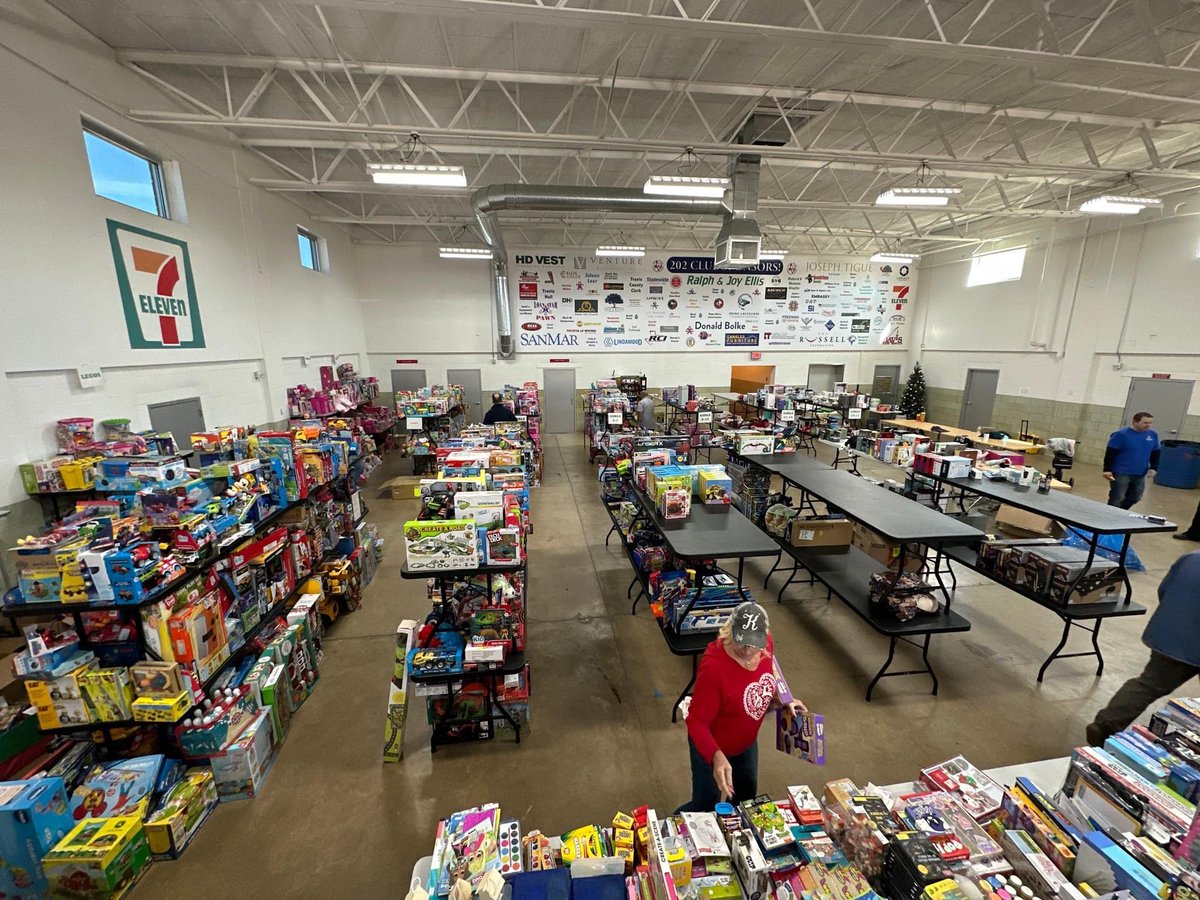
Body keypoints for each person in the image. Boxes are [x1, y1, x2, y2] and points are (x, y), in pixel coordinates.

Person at [679, 602, 806, 812]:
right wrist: (716, 757)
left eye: (754, 643)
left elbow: (771, 669)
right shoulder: (714, 667)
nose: (748, 649)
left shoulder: (766, 644)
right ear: (730, 631)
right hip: (711, 747)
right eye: (742, 641)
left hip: (746, 743)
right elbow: (697, 721)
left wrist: (784, 697)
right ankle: (671, 825)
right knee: (704, 806)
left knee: (745, 799)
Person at [1086, 550, 1200, 746]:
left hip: (1170, 633)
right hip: (1192, 641)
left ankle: (1105, 725)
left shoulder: (1192, 558)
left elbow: (1164, 589)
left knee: (1148, 685)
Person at [1103, 411, 1160, 509]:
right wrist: (1107, 469)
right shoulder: (1121, 435)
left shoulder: (1153, 435)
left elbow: (1156, 452)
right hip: (1121, 471)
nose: (1148, 425)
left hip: (1139, 472)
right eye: (1145, 423)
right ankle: (1110, 515)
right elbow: (1110, 453)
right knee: (1118, 496)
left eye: (1150, 423)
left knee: (1136, 496)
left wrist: (1154, 467)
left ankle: (1121, 511)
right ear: (1135, 422)